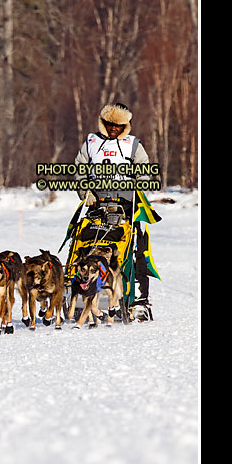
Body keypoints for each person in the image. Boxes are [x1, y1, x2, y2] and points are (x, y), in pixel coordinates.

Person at [73, 101, 157, 321]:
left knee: (137, 252)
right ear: (103, 122)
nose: (113, 129)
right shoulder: (92, 142)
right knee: (85, 243)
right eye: (110, 124)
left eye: (118, 125)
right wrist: (85, 192)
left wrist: (139, 193)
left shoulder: (133, 144)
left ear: (125, 126)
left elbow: (144, 172)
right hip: (96, 203)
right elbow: (80, 167)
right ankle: (79, 291)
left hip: (127, 206)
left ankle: (138, 301)